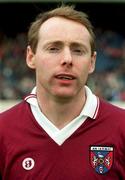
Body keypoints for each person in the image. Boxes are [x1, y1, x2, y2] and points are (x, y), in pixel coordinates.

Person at [0, 5, 125, 180]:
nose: (67, 59)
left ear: (92, 62)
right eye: (53, 48)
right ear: (30, 57)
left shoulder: (122, 128)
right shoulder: (3, 131)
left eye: (78, 50)